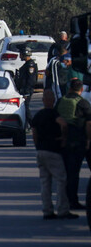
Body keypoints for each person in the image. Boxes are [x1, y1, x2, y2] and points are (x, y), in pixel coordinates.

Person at [31, 90, 77, 219]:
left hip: (41, 151)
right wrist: (63, 138)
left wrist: (37, 146)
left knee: (45, 182)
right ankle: (63, 209)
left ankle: (47, 210)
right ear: (52, 101)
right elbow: (63, 124)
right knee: (61, 180)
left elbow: (34, 132)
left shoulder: (38, 115)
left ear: (43, 100)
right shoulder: (54, 114)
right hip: (53, 151)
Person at [55, 78, 91, 210]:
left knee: (69, 173)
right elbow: (88, 123)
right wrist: (88, 140)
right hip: (80, 141)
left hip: (64, 142)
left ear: (70, 88)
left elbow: (56, 118)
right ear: (81, 90)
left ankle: (68, 201)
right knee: (74, 174)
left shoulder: (60, 101)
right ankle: (74, 202)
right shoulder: (83, 103)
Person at [15, 47, 37, 126]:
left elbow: (31, 80)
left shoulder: (30, 65)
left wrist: (27, 92)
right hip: (23, 89)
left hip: (27, 90)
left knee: (25, 108)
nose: (19, 55)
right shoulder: (27, 64)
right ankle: (26, 124)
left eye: (21, 54)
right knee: (24, 108)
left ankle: (32, 124)